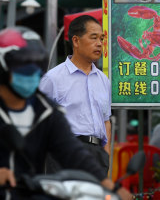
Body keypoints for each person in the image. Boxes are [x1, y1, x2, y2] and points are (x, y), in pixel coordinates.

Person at [0, 26, 130, 200]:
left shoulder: (45, 110)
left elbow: (72, 151)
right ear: (1, 67)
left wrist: (111, 186)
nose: (33, 74)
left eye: (37, 67)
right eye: (25, 67)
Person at [39, 15, 111, 178]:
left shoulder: (103, 80)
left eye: (101, 38)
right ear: (76, 41)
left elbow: (106, 121)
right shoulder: (53, 78)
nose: (99, 43)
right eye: (93, 38)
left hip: (97, 155)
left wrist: (106, 155)